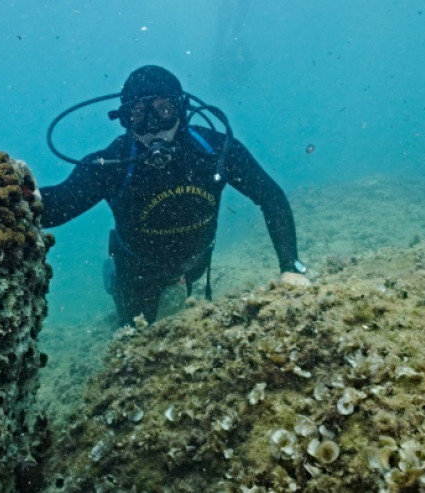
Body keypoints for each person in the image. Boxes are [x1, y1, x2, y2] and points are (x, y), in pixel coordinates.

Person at [40, 65, 310, 326]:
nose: (153, 126)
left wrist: (290, 266)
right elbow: (57, 207)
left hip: (194, 264)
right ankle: (114, 283)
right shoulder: (110, 165)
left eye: (164, 110)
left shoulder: (216, 151)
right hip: (137, 272)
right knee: (135, 340)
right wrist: (12, 189)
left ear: (181, 109)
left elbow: (270, 197)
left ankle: (176, 286)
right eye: (138, 114)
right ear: (125, 120)